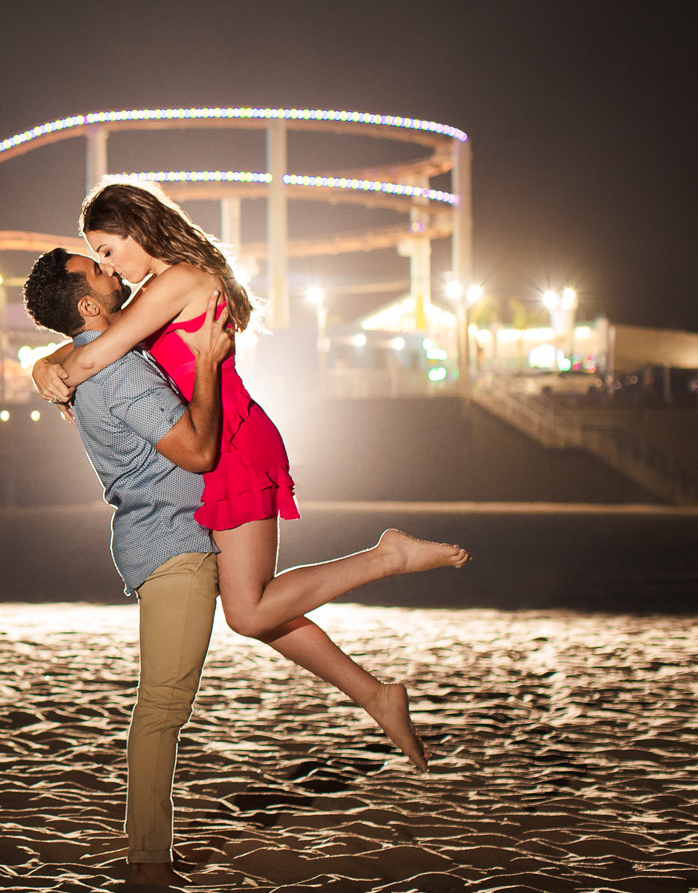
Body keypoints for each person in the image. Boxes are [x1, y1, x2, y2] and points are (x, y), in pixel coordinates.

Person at [30, 179, 469, 772]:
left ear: (136, 231)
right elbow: (99, 340)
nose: (110, 265)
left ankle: (385, 559)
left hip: (231, 443)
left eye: (108, 250)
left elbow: (91, 354)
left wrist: (49, 367)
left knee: (249, 611)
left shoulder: (178, 282)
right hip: (218, 436)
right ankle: (374, 694)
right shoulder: (161, 287)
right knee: (255, 610)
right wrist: (43, 362)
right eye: (99, 258)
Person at [21, 247, 231, 887]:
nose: (118, 274)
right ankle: (147, 860)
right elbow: (196, 452)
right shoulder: (116, 374)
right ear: (89, 303)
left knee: (163, 704)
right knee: (162, 708)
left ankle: (149, 854)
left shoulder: (93, 364)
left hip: (158, 540)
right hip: (174, 542)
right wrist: (205, 366)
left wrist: (43, 362)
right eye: (102, 270)